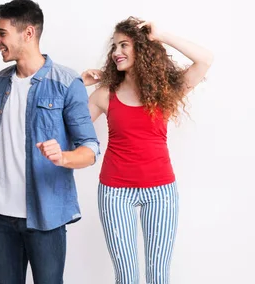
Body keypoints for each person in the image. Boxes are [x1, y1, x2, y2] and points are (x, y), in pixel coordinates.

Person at [0, 0, 99, 284]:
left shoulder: (66, 82)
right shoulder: (2, 80)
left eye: (2, 33)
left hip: (45, 214)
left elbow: (90, 149)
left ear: (28, 33)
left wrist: (63, 156)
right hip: (1, 214)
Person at [81, 17, 214, 284]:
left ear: (142, 48)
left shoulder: (165, 92)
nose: (117, 52)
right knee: (126, 277)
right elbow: (68, 128)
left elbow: (205, 59)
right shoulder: (104, 94)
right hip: (115, 192)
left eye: (124, 45)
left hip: (161, 192)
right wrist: (77, 83)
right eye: (114, 47)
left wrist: (161, 35)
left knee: (158, 276)